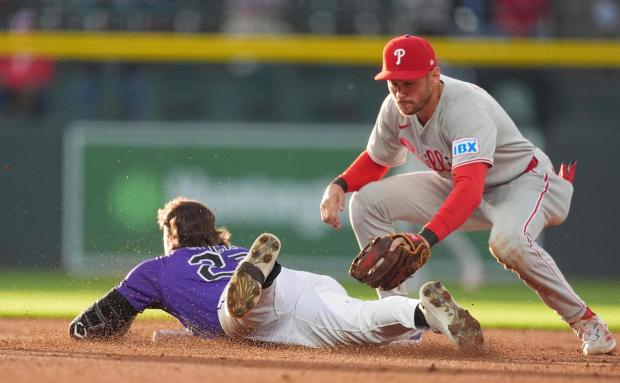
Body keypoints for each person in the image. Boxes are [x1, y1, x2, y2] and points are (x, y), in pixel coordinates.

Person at [319, 35, 615, 356]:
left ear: (435, 75)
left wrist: (424, 239)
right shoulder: (395, 107)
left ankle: (586, 321)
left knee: (508, 242)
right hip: (459, 182)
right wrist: (341, 184)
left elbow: (470, 189)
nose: (400, 91)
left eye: (409, 82)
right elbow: (378, 159)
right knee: (366, 201)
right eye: (393, 82)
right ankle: (400, 320)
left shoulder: (465, 109)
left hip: (523, 183)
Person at [69, 196, 483, 349]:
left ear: (171, 235)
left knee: (236, 320)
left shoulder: (156, 270)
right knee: (358, 320)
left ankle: (251, 287)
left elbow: (94, 326)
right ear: (212, 232)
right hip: (299, 283)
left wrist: (84, 331)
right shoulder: (228, 249)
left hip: (256, 315)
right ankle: (424, 312)